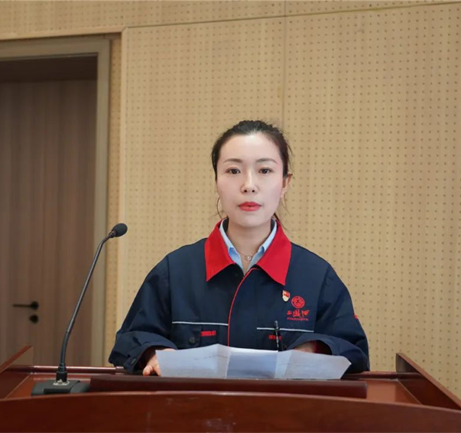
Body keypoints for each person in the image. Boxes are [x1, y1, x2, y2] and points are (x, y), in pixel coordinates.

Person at [109, 120, 369, 375]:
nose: (249, 185)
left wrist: (315, 349)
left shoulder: (316, 276)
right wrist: (154, 352)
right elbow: (132, 338)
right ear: (216, 180)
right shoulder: (175, 270)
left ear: (285, 183)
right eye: (233, 171)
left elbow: (353, 351)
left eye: (264, 170)